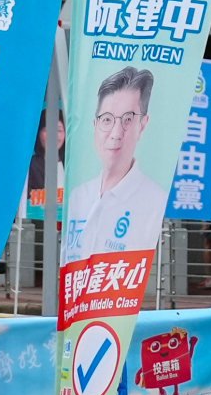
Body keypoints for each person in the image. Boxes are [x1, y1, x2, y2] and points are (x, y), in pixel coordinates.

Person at [62, 67, 161, 261]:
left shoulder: (154, 200)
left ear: (142, 125)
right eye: (107, 119)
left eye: (127, 120)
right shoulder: (78, 195)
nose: (116, 133)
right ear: (94, 124)